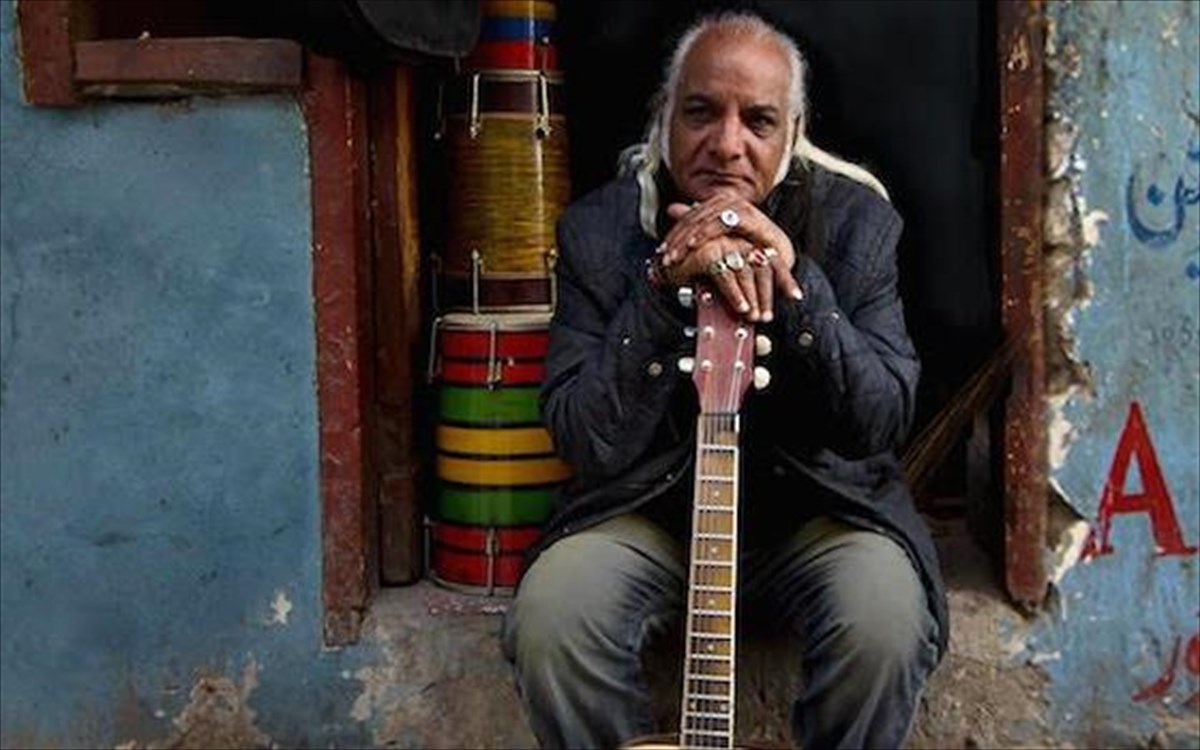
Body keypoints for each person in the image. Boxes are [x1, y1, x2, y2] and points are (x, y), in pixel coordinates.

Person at [502, 10, 948, 749]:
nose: (727, 144)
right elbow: (582, 436)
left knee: (885, 625)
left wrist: (796, 284)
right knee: (555, 619)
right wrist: (658, 289)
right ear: (665, 117)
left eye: (759, 121)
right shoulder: (597, 231)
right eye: (701, 112)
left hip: (817, 509)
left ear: (794, 131)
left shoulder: (857, 224)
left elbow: (881, 420)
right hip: (650, 511)